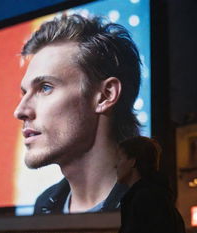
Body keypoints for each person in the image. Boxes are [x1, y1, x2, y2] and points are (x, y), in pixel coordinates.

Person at [14, 14, 141, 214]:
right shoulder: (45, 205)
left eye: (45, 88)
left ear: (105, 96)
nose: (20, 111)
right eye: (24, 92)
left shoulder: (146, 207)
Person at [115, 136, 190, 233]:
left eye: (119, 159)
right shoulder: (156, 196)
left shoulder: (147, 200)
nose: (115, 165)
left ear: (133, 161)